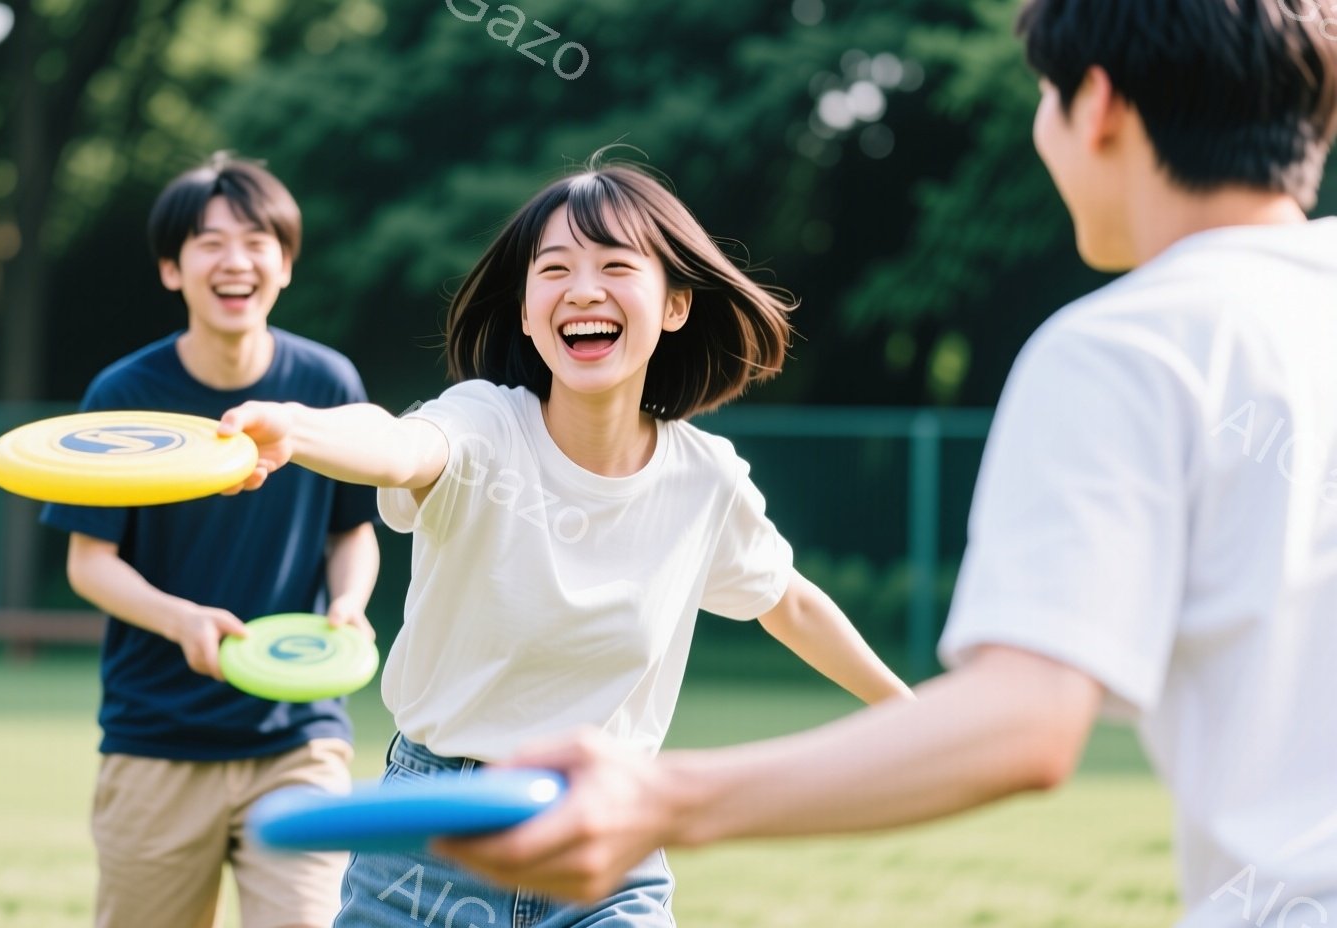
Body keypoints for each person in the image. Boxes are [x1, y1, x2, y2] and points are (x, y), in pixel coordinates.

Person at [431, 0, 1337, 920]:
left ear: (1095, 104)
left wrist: (661, 799)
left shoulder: (1128, 349)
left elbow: (1025, 722)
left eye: (1044, 95)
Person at [217, 159, 915, 926]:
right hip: (430, 840)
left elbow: (789, 603)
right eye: (555, 270)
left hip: (604, 836)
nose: (583, 290)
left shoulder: (704, 480)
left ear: (675, 304)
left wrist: (914, 716)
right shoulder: (483, 426)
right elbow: (396, 444)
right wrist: (297, 428)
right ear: (525, 311)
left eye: (615, 266)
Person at [38, 152, 381, 928]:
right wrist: (181, 620)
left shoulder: (327, 385)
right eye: (210, 243)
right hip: (156, 738)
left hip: (297, 732)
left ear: (285, 264)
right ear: (172, 268)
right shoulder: (124, 395)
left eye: (257, 242)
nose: (236, 261)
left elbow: (352, 533)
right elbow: (90, 564)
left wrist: (350, 604)